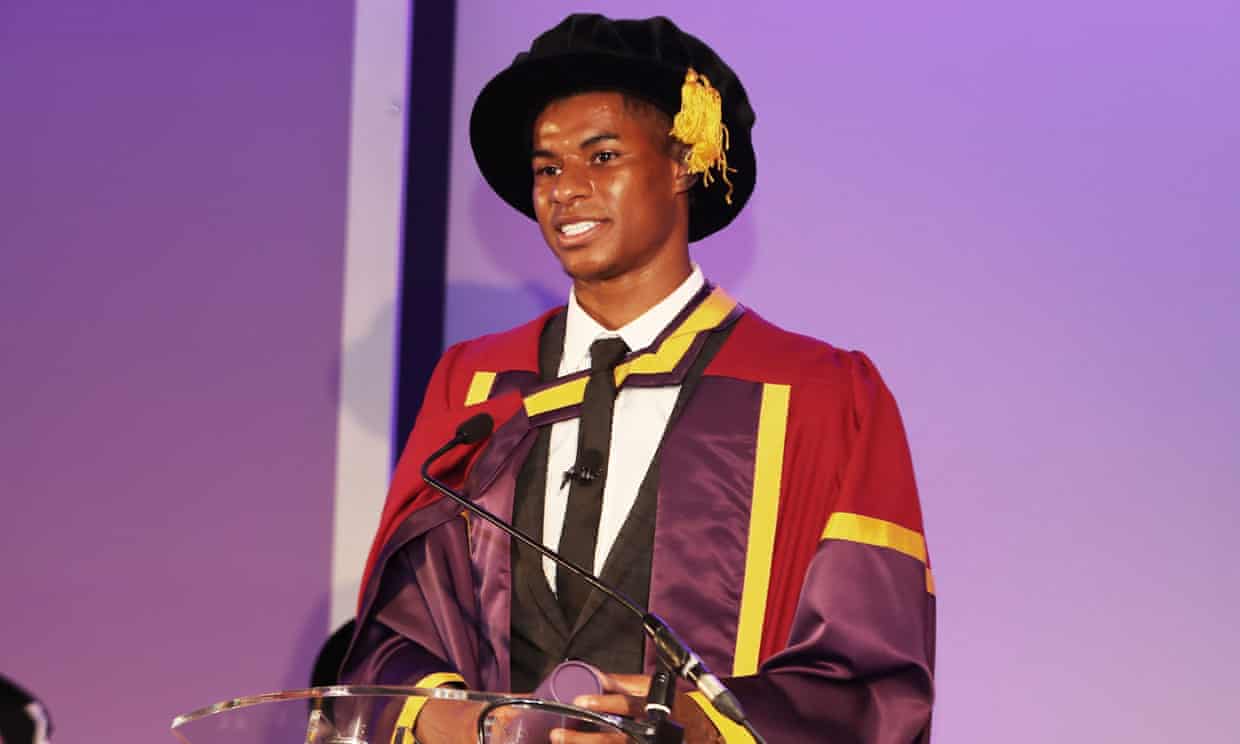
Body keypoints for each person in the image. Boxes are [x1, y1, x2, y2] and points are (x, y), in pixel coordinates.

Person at [341, 13, 935, 743]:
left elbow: (870, 684)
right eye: (548, 168)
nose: (566, 191)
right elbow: (392, 646)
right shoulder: (477, 387)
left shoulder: (820, 395)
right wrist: (484, 724)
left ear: (683, 160)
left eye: (603, 156)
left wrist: (684, 720)